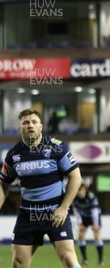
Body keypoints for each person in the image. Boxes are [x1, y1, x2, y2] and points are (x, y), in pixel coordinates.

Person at [0, 108, 82, 268]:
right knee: (18, 263)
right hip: (28, 215)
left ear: (41, 126)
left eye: (34, 122)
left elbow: (76, 177)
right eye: (25, 122)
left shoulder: (57, 148)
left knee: (69, 259)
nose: (30, 125)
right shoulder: (13, 155)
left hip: (55, 214)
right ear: (20, 128)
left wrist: (64, 208)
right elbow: (3, 184)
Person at [73, 184, 104, 266]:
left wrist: (95, 225)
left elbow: (95, 211)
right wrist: (80, 224)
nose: (80, 192)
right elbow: (76, 212)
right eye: (78, 190)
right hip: (84, 217)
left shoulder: (91, 197)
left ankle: (100, 260)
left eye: (81, 190)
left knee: (97, 236)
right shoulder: (75, 198)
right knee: (80, 236)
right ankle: (84, 259)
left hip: (94, 216)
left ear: (85, 190)